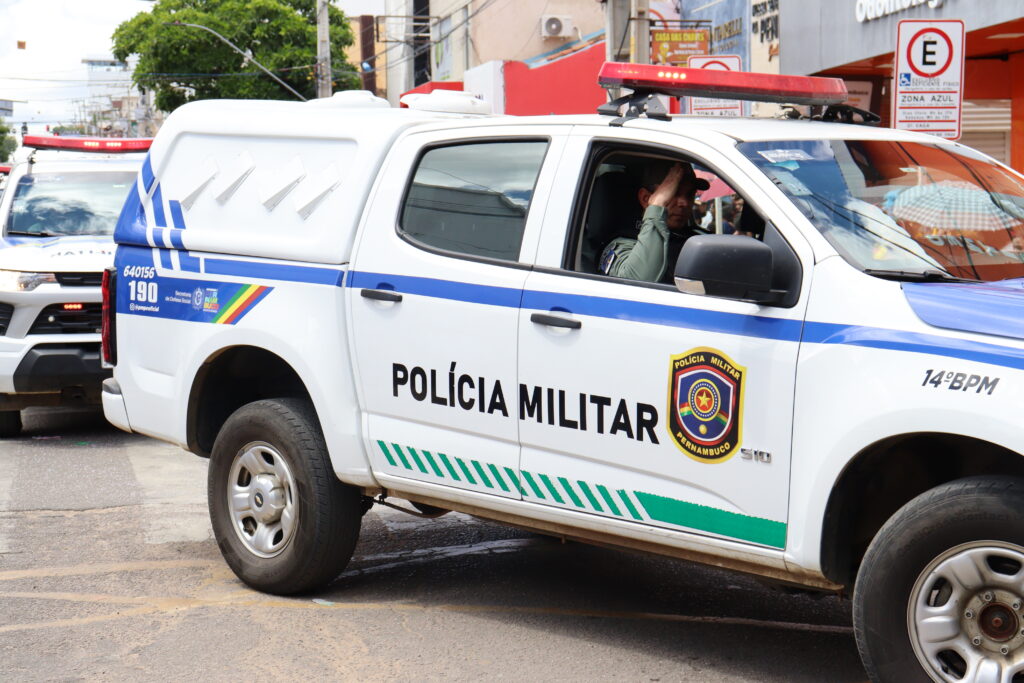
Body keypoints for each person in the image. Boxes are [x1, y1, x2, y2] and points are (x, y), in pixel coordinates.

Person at [599, 161, 710, 283]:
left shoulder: (696, 239)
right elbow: (635, 284)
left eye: (689, 194)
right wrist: (657, 205)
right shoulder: (623, 244)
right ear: (646, 199)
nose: (684, 202)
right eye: (674, 193)